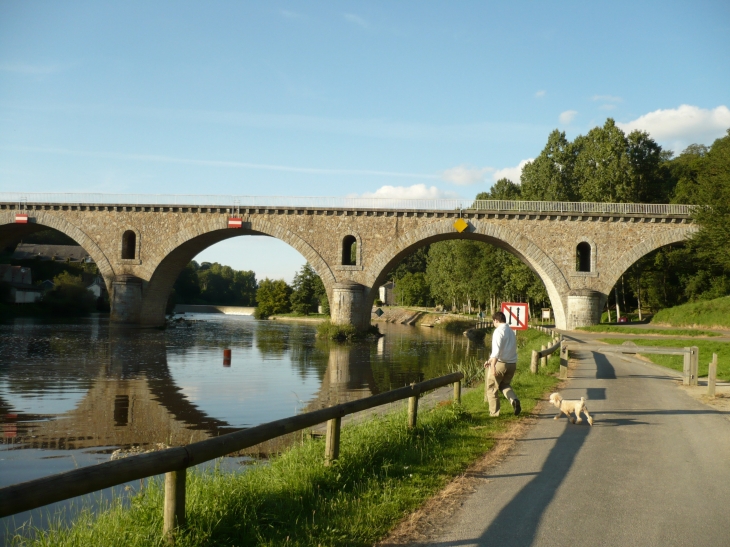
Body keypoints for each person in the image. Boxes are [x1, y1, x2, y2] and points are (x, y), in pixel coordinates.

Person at [484, 311, 521, 417]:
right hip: (512, 364)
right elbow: (504, 349)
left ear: (496, 320)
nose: (493, 324)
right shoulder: (510, 331)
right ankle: (514, 400)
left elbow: (496, 351)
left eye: (493, 321)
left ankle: (494, 414)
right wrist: (490, 360)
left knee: (491, 388)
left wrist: (492, 367)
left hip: (500, 364)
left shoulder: (498, 331)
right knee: (504, 385)